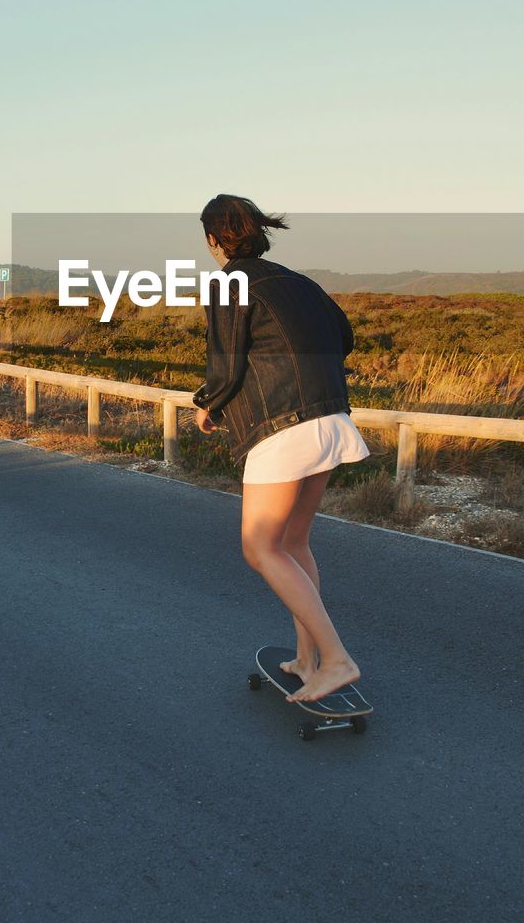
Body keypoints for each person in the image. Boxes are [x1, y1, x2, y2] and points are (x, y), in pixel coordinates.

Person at [191, 193, 370, 703]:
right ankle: (306, 659)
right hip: (331, 419)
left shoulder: (230, 282)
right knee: (294, 545)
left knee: (260, 547)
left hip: (284, 428)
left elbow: (226, 364)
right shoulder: (300, 281)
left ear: (213, 238)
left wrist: (209, 404)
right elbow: (345, 335)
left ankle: (336, 660)